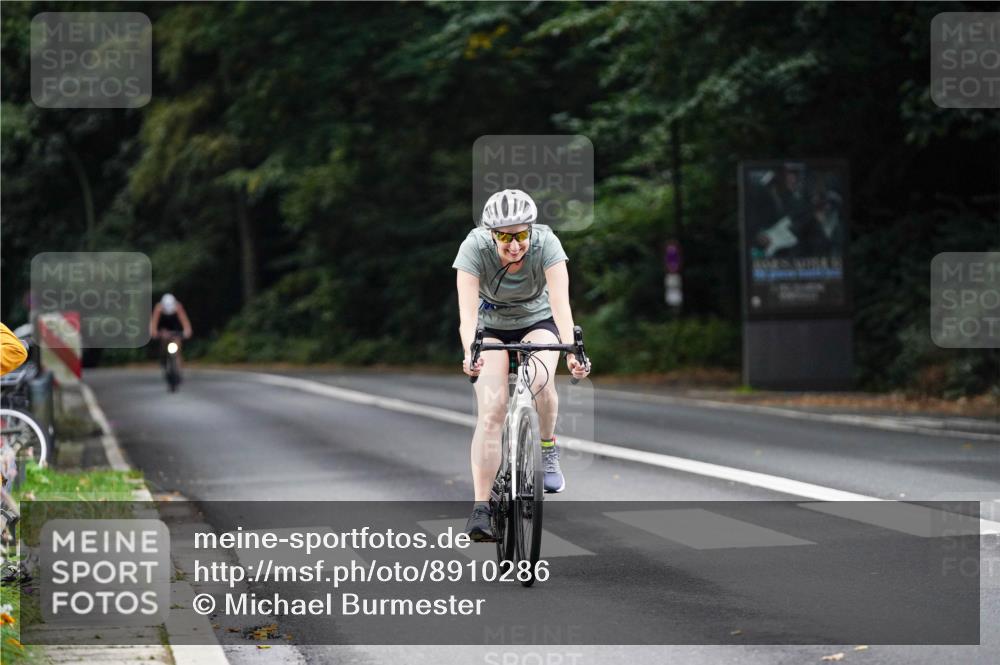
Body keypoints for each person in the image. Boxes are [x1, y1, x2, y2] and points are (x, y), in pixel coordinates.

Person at [453, 189, 591, 541]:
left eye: (521, 235)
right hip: (491, 327)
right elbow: (467, 315)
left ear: (531, 229)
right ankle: (481, 508)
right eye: (504, 237)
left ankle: (547, 449)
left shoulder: (547, 243)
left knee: (542, 380)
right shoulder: (473, 249)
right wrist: (472, 352)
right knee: (492, 410)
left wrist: (573, 350)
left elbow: (561, 305)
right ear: (490, 234)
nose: (515, 245)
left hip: (538, 321)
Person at [149, 294, 192, 369]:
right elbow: (154, 323)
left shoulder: (178, 307)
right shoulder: (159, 308)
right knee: (164, 340)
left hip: (175, 327)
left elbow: (185, 321)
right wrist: (154, 332)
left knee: (178, 344)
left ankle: (178, 366)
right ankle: (163, 357)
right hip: (163, 327)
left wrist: (187, 331)